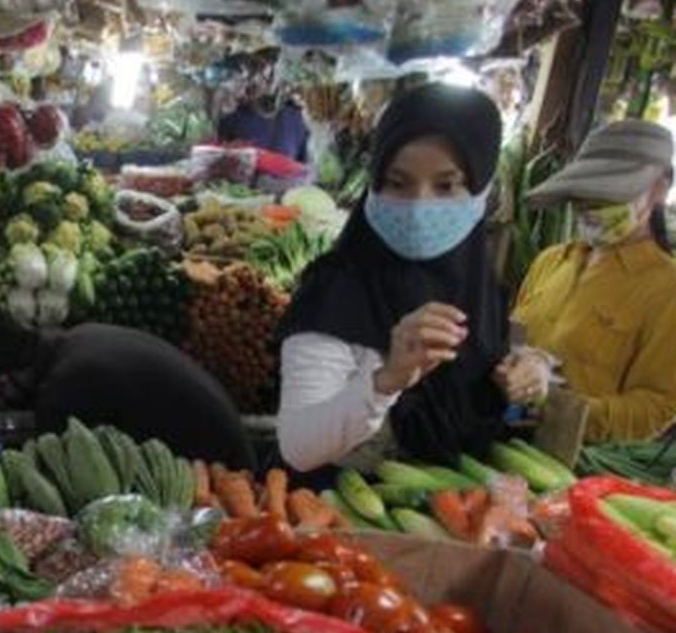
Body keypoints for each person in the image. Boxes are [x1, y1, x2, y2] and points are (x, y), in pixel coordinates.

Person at [276, 83, 545, 483]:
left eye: (446, 185)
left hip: (454, 506)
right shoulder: (336, 291)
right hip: (336, 513)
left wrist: (528, 373)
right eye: (398, 183)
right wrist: (388, 379)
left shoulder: (478, 284)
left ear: (481, 188)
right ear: (374, 181)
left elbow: (478, 392)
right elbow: (299, 447)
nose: (420, 204)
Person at [515, 120, 676, 442]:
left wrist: (558, 407)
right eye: (584, 196)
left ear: (660, 187)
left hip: (578, 471)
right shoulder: (550, 261)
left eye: (606, 196)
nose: (589, 208)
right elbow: (514, 341)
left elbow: (657, 408)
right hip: (501, 440)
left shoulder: (667, 288)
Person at [0, 312, 257, 471]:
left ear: (2, 380)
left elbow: (70, 484)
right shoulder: (81, 337)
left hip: (223, 481)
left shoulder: (66, 389)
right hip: (226, 452)